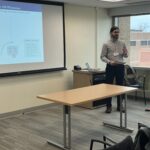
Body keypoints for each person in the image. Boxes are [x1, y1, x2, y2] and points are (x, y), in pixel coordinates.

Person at [101, 26, 128, 113]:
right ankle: (108, 106)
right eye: (115, 32)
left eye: (118, 32)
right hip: (111, 67)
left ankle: (120, 106)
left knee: (121, 87)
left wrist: (125, 53)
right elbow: (102, 56)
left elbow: (126, 56)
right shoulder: (106, 44)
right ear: (111, 33)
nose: (117, 34)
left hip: (120, 67)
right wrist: (109, 62)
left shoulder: (122, 43)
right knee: (108, 87)